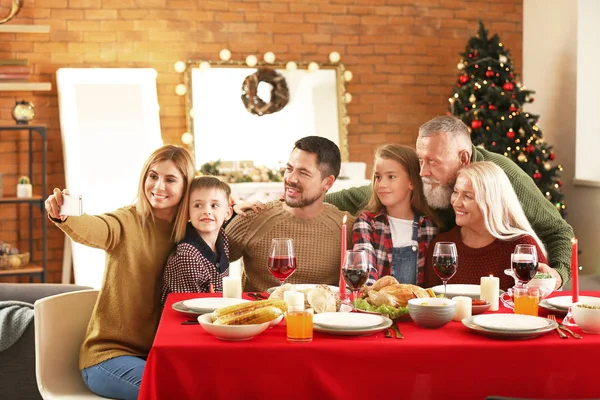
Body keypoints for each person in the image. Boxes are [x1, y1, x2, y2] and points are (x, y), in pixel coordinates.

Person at [326, 116, 573, 287]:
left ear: (464, 158)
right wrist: (308, 198)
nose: (422, 172)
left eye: (432, 161)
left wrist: (559, 275)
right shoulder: (424, 176)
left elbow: (558, 231)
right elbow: (365, 193)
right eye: (420, 159)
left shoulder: (502, 176)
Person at [44, 145, 196, 400]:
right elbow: (96, 227)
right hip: (108, 358)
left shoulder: (190, 234)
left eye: (170, 179)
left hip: (157, 356)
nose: (158, 186)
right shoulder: (127, 221)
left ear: (186, 186)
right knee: (171, 392)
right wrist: (66, 216)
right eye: (153, 176)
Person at [225, 136, 354, 292]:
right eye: (289, 168)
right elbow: (206, 258)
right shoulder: (254, 218)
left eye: (304, 173)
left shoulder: (346, 228)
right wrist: (226, 213)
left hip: (323, 316)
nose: (290, 178)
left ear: (327, 182)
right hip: (263, 313)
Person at [424, 162, 550, 291]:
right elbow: (430, 302)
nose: (456, 202)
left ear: (491, 202)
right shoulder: (442, 245)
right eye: (456, 192)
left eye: (468, 196)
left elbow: (541, 300)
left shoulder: (522, 246)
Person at [351, 144, 439, 287]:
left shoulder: (429, 228)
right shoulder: (367, 223)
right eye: (378, 177)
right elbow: (364, 272)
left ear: (411, 182)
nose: (381, 184)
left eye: (391, 177)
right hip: (376, 306)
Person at [161, 176, 233, 303]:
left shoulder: (222, 237)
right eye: (198, 205)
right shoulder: (186, 257)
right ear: (188, 212)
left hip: (215, 312)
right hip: (186, 320)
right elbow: (189, 307)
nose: (206, 211)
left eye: (214, 205)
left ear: (227, 213)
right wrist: (212, 299)